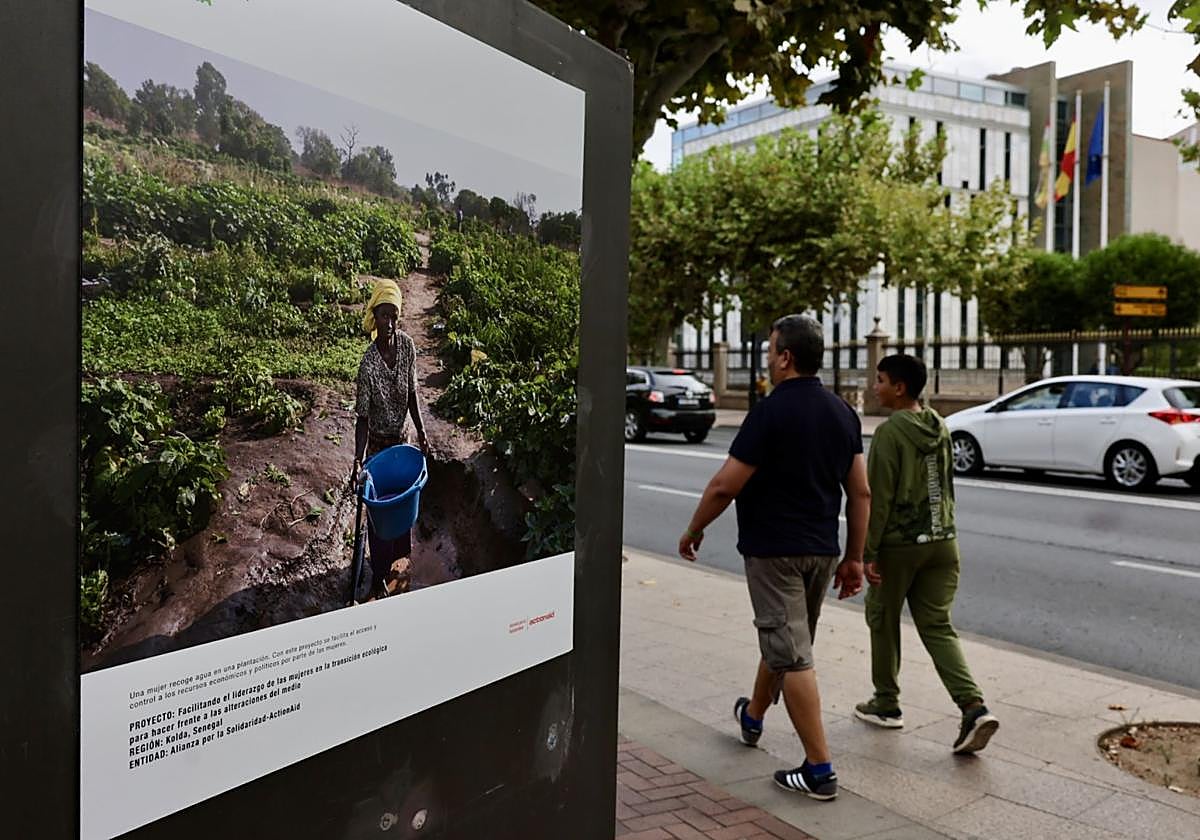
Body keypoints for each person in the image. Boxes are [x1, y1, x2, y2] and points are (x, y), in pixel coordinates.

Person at [679, 314, 870, 801]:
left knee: (793, 654)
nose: (767, 356)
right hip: (822, 552)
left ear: (785, 357)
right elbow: (861, 493)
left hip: (773, 552)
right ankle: (754, 715)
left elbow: (725, 484)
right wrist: (853, 558)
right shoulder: (843, 413)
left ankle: (820, 769)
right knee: (787, 641)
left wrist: (695, 528)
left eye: (770, 349)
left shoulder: (769, 412)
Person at [855, 353, 999, 755]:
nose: (874, 387)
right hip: (943, 541)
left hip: (900, 544)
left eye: (880, 380)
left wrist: (869, 552)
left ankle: (886, 704)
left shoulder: (889, 433)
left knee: (882, 618)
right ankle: (973, 707)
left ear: (899, 388)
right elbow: (948, 486)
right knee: (937, 625)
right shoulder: (939, 426)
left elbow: (877, 498)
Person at [351, 279, 429, 599]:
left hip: (402, 439)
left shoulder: (408, 347)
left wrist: (422, 433)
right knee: (380, 516)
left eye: (395, 316)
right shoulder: (368, 365)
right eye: (384, 316)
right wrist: (358, 460)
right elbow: (363, 419)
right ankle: (379, 573)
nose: (390, 323)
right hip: (380, 448)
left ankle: (398, 564)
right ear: (375, 316)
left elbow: (412, 394)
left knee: (402, 506)